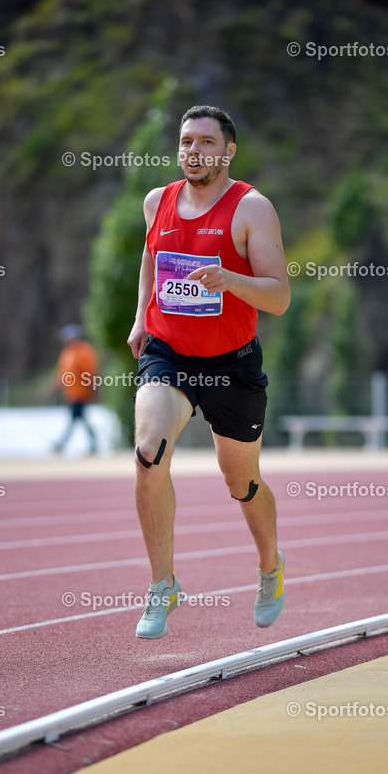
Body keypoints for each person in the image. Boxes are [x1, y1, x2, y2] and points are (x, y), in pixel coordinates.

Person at [127, 105, 290, 639]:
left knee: (240, 480)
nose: (193, 151)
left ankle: (270, 565)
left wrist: (229, 280)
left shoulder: (252, 208)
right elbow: (151, 259)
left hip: (232, 364)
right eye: (185, 141)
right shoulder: (159, 202)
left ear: (228, 150)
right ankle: (163, 583)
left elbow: (280, 296)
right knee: (149, 452)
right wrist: (138, 318)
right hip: (168, 355)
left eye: (205, 142)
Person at [52, 324, 99, 454]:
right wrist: (53, 388)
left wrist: (93, 389)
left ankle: (61, 444)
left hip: (81, 393)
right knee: (80, 418)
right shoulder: (67, 352)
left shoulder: (84, 351)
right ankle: (93, 443)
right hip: (71, 393)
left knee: (75, 418)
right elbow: (62, 373)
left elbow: (90, 373)